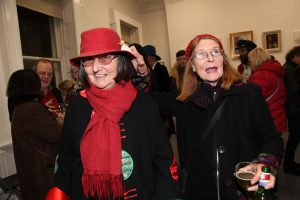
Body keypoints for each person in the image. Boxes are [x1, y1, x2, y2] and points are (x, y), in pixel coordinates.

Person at [45, 27, 182, 200]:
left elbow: (163, 161)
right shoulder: (78, 104)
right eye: (88, 60)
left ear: (121, 61)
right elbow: (65, 160)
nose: (95, 68)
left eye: (105, 57)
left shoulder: (144, 104)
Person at [150, 34, 283, 199]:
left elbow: (272, 139)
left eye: (215, 52)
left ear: (223, 60)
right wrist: (140, 71)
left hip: (242, 192)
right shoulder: (182, 100)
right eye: (201, 54)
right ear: (192, 65)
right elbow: (142, 100)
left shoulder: (249, 93)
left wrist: (264, 165)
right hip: (199, 192)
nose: (210, 58)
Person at [6, 69, 61, 200]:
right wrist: (62, 121)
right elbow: (56, 134)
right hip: (41, 172)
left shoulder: (18, 107)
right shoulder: (32, 108)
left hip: (31, 170)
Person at [248, 47, 287, 134]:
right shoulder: (274, 71)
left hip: (266, 121)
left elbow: (252, 100)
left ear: (255, 60)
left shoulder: (261, 75)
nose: (249, 63)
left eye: (250, 60)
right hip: (277, 118)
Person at [282, 46, 300, 176]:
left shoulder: (292, 68)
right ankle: (288, 164)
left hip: (295, 107)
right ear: (294, 56)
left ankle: (290, 163)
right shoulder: (289, 70)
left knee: (295, 136)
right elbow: (294, 90)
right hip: (294, 109)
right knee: (294, 136)